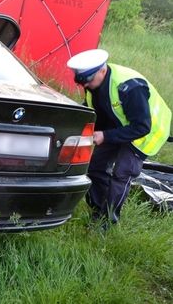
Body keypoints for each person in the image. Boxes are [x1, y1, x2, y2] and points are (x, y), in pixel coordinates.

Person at [67, 49, 171, 226]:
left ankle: (108, 220)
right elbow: (98, 107)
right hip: (120, 127)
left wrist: (105, 136)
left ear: (102, 70)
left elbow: (142, 126)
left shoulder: (129, 87)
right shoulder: (93, 83)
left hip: (146, 132)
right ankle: (98, 210)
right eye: (81, 82)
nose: (85, 86)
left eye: (88, 80)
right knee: (95, 166)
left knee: (122, 172)